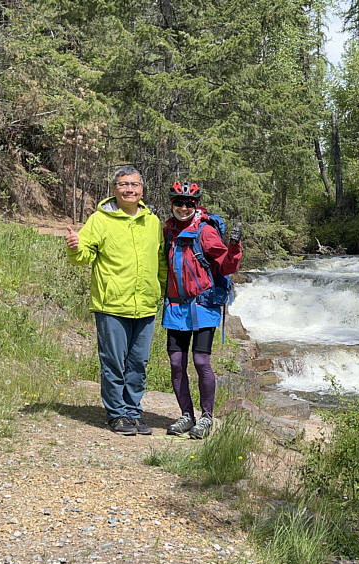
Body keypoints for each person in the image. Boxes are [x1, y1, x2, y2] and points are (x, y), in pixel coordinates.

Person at [64, 166, 166, 436]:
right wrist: (75, 246)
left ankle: (133, 413)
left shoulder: (152, 222)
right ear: (114, 189)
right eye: (123, 184)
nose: (129, 189)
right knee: (114, 363)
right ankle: (116, 414)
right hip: (111, 305)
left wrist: (166, 291)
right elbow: (84, 254)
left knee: (138, 363)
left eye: (133, 185)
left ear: (141, 189)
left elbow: (160, 262)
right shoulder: (100, 220)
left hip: (145, 305)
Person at [162, 181, 242, 439]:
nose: (183, 207)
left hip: (203, 305)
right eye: (179, 202)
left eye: (189, 204)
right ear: (172, 204)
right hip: (175, 306)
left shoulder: (205, 231)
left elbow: (227, 266)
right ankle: (187, 415)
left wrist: (235, 247)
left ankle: (207, 417)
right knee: (176, 363)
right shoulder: (168, 230)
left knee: (200, 361)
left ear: (196, 205)